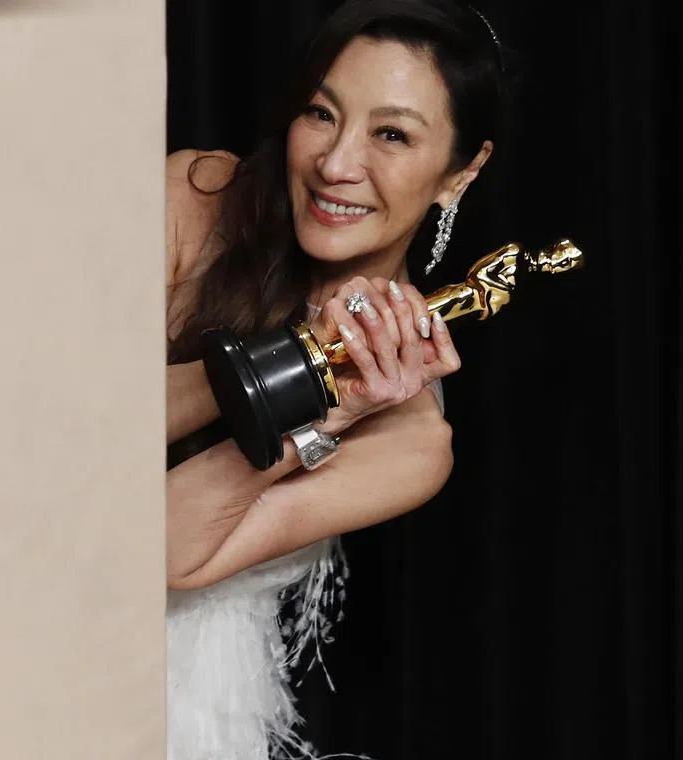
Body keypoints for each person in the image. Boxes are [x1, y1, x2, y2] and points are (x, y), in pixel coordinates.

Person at [164, 1, 511, 757]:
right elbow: (64, 430)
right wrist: (286, 352)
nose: (336, 163)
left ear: (463, 171)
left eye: (391, 134)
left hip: (174, 697)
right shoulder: (191, 203)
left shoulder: (412, 442)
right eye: (322, 114)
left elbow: (156, 552)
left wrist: (329, 407)